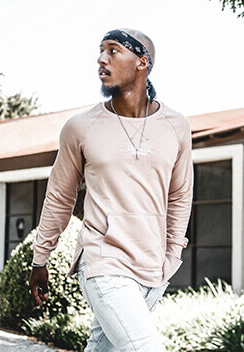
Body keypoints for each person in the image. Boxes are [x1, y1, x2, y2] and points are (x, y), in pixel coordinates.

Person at [28, 28, 193, 351]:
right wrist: (40, 258)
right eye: (100, 51)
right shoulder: (81, 127)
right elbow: (60, 196)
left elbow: (180, 195)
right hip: (103, 262)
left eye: (113, 51)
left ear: (142, 62)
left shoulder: (176, 126)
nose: (101, 59)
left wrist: (171, 255)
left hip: (153, 267)